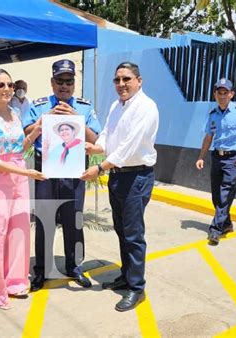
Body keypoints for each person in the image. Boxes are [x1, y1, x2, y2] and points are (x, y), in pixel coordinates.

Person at [81, 62, 159, 312]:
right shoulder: (117, 105)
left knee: (134, 234)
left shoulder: (146, 107)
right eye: (117, 80)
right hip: (118, 175)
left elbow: (129, 147)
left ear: (139, 80)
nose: (121, 84)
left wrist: (100, 168)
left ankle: (136, 288)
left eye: (126, 79)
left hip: (136, 176)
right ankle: (126, 276)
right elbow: (107, 133)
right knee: (122, 230)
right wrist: (98, 147)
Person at [0, 69, 46, 310]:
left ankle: (15, 282)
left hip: (19, 176)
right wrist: (25, 172)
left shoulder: (14, 113)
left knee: (19, 231)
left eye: (9, 85)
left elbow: (19, 149)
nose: (6, 89)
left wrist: (37, 130)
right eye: (1, 85)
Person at [23, 59, 101, 291]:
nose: (64, 85)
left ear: (74, 83)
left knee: (73, 220)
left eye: (69, 81)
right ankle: (42, 270)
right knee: (45, 220)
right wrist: (45, 117)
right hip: (46, 170)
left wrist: (75, 116)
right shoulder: (39, 105)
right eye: (60, 81)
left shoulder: (85, 107)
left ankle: (74, 267)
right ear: (52, 82)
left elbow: (95, 139)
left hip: (74, 170)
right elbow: (25, 132)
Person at [195, 78, 236, 246]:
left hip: (234, 159)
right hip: (217, 157)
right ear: (215, 94)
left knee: (225, 194)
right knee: (216, 196)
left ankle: (215, 230)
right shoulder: (213, 115)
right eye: (219, 92)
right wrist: (201, 157)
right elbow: (208, 137)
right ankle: (227, 224)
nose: (222, 96)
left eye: (225, 93)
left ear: (231, 94)